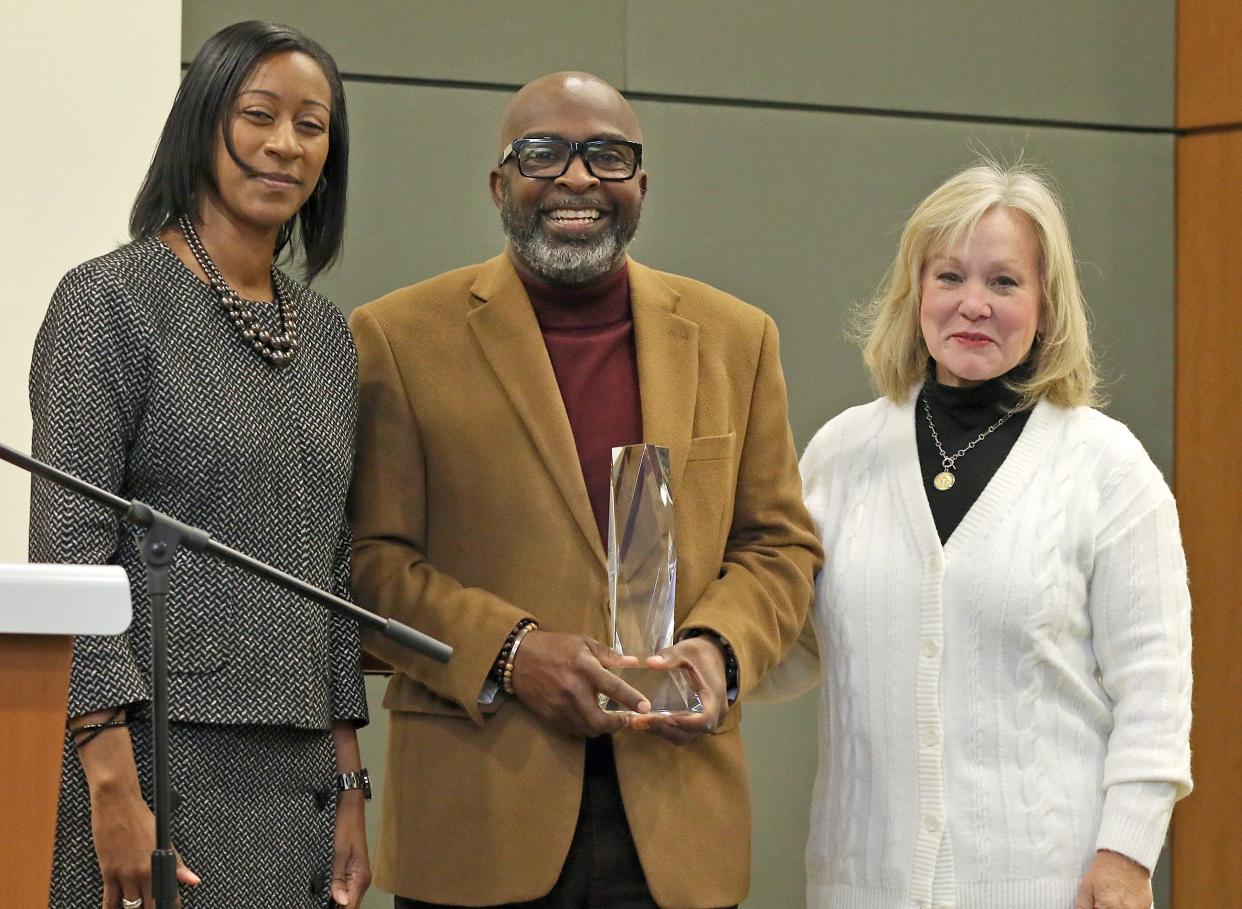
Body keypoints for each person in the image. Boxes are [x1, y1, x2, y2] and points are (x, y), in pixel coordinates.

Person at [348, 71, 822, 908]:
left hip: (678, 820)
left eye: (607, 156)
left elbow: (779, 546)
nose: (576, 179)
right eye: (544, 155)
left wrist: (717, 648)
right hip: (479, 808)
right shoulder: (396, 337)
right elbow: (370, 561)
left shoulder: (738, 338)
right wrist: (512, 651)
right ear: (499, 185)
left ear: (640, 185)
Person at [761, 161, 1193, 908]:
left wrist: (1127, 854)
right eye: (950, 276)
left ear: (1047, 304)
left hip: (1054, 886)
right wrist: (692, 664)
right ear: (915, 292)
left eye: (1004, 282)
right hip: (864, 884)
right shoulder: (841, 452)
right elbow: (794, 642)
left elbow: (1155, 688)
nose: (973, 305)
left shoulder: (1107, 467)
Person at [28, 20, 372, 909]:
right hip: (152, 761)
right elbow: (72, 550)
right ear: (202, 125)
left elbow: (330, 566)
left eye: (312, 125)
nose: (284, 145)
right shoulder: (109, 300)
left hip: (295, 779)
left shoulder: (330, 336)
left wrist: (350, 786)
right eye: (258, 115)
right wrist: (109, 780)